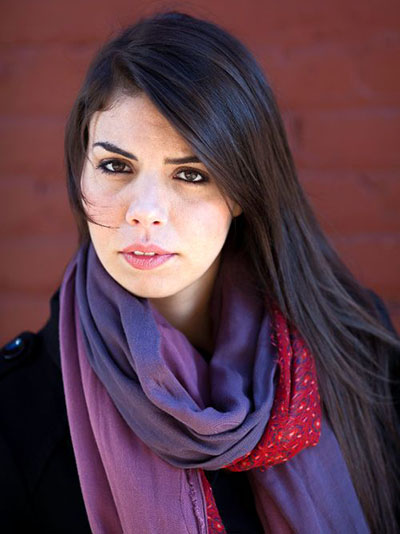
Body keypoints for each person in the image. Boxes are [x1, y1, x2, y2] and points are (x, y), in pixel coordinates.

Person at [1, 10, 399, 534]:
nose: (144, 210)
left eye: (191, 174)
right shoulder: (15, 412)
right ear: (81, 173)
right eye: (115, 166)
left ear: (242, 191)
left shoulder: (355, 354)